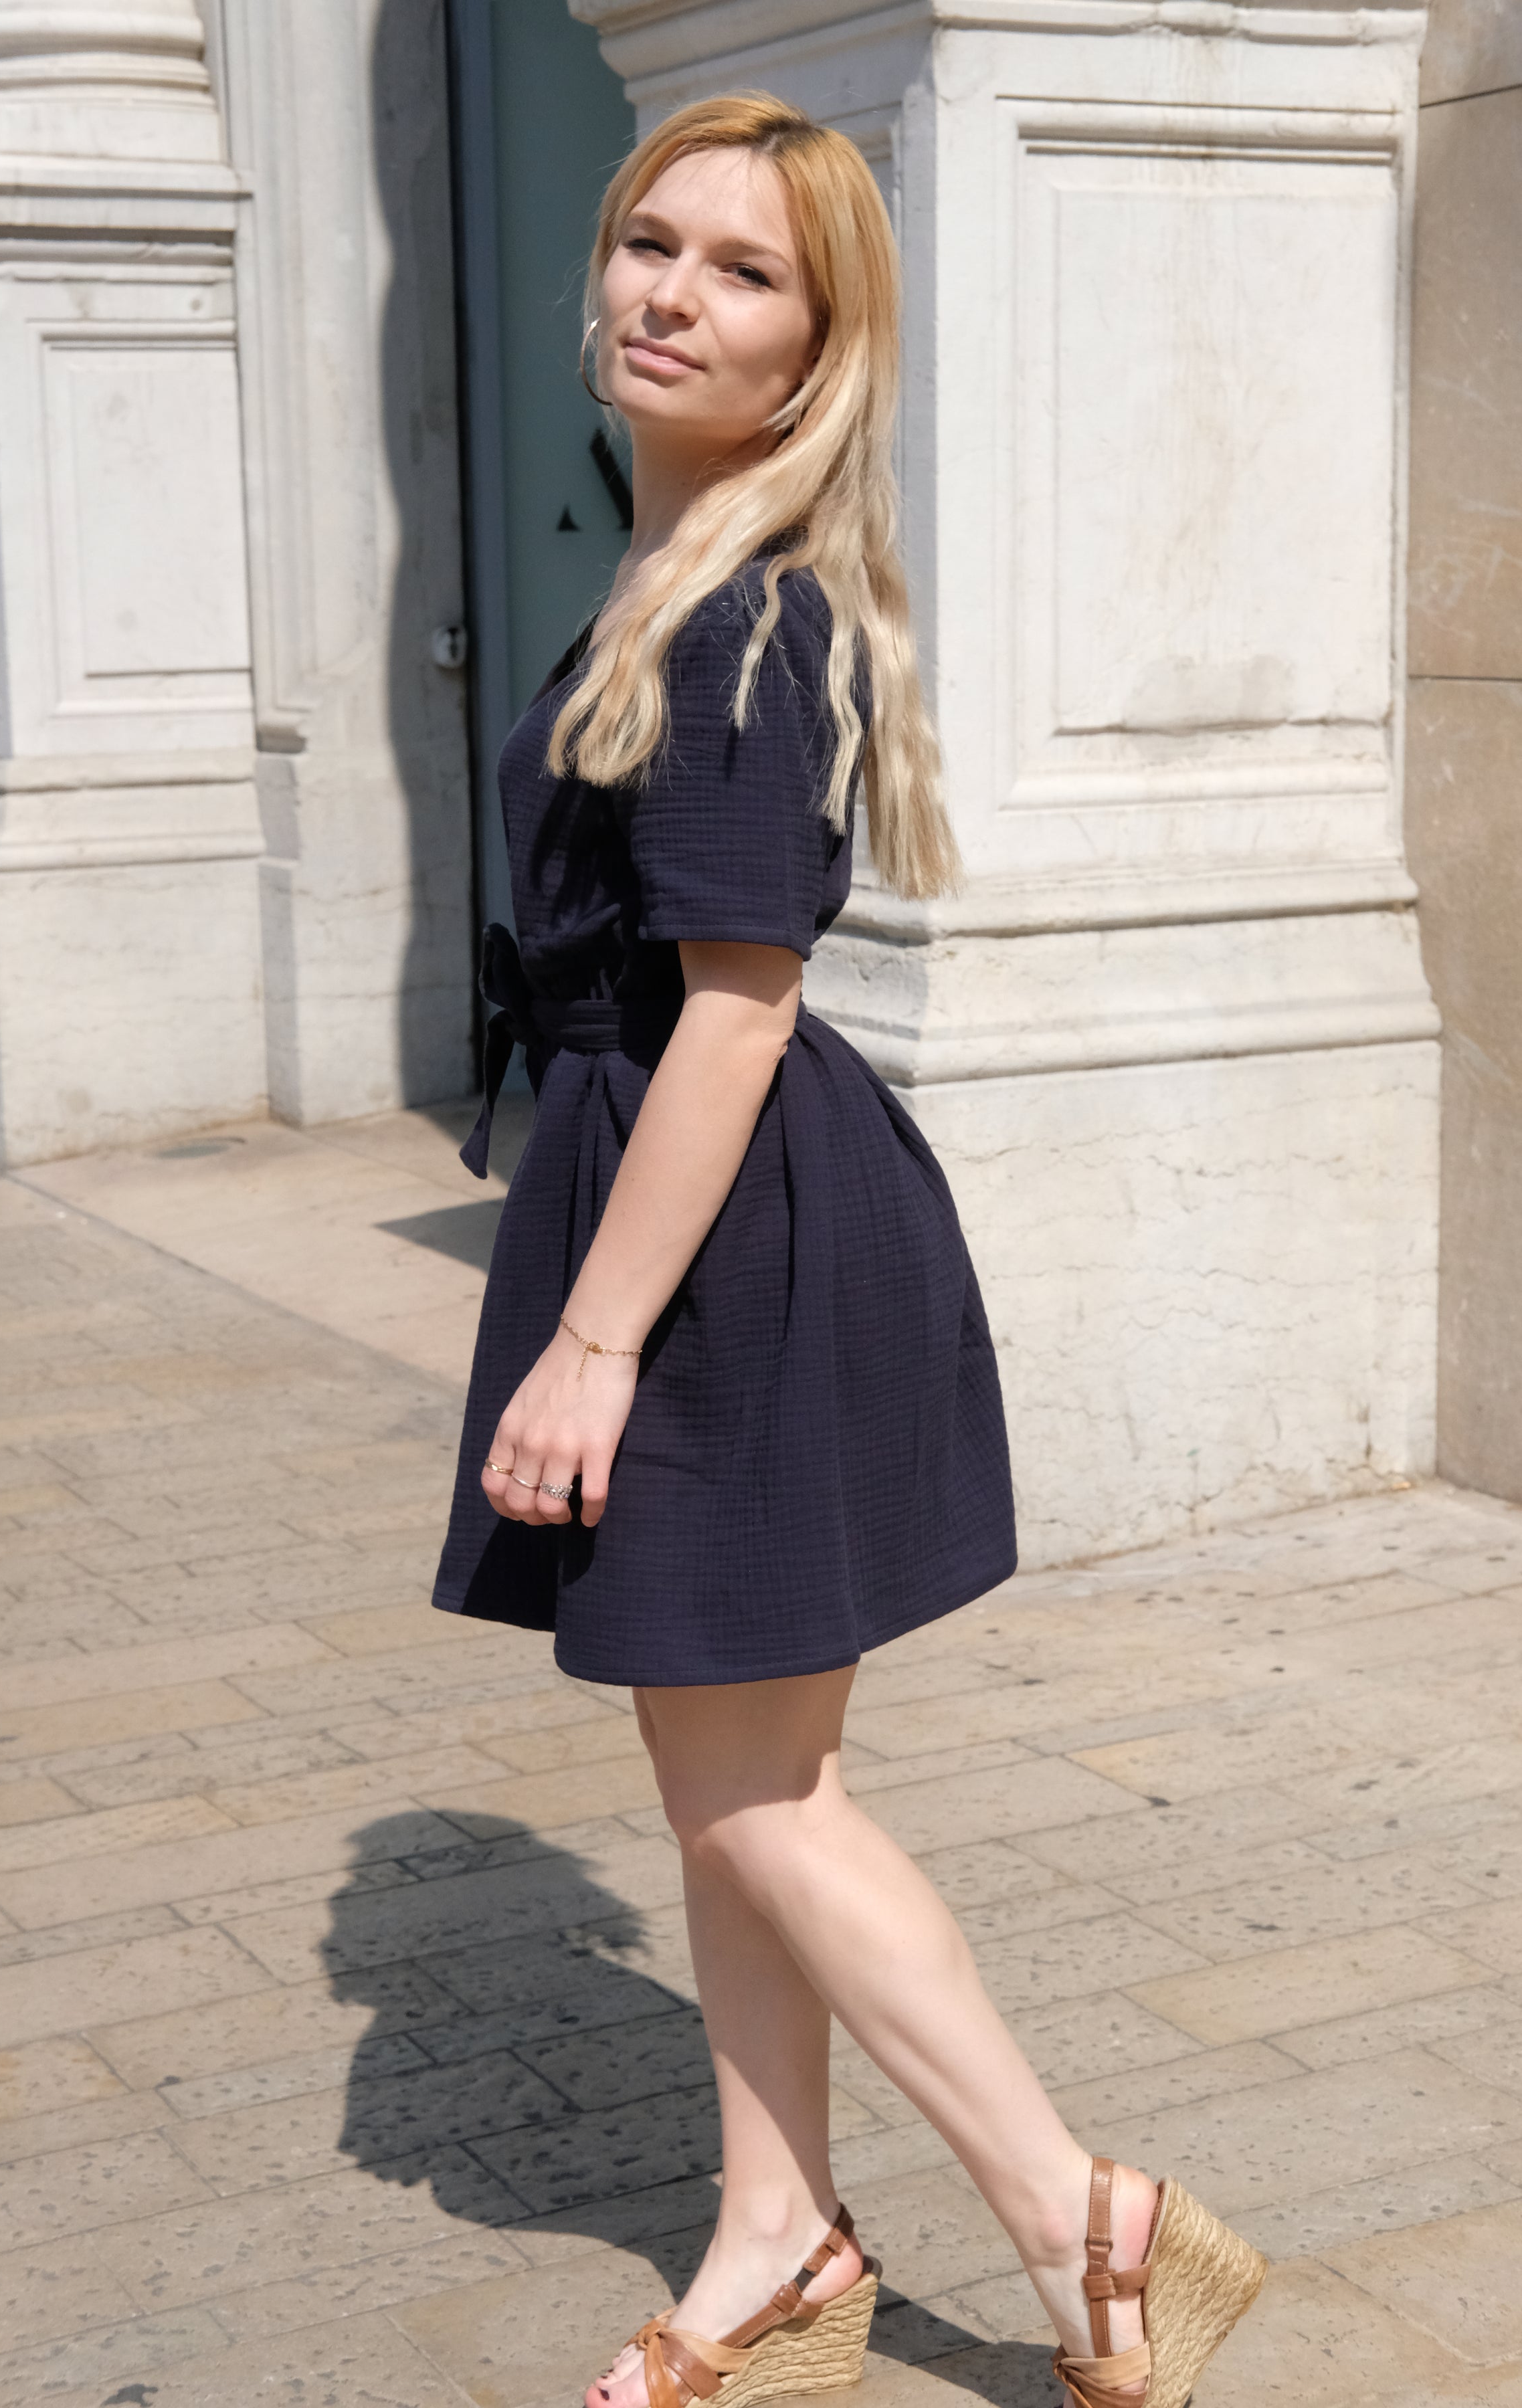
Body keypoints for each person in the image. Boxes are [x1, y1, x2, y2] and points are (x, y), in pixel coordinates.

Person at [433, 91, 1265, 2408]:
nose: (668, 293)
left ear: (817, 352)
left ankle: (1082, 2217)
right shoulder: (685, 578)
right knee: (725, 1775)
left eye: (743, 272)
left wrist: (595, 1340)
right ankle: (778, 2236)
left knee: (754, 1793)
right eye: (650, 241)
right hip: (716, 1203)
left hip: (715, 1233)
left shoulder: (734, 621)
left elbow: (736, 1004)